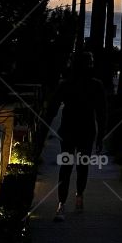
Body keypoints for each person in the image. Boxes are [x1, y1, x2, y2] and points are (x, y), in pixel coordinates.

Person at [46, 50, 109, 220]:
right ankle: (77, 197)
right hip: (84, 131)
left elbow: (52, 107)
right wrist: (101, 135)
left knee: (66, 167)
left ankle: (63, 203)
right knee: (81, 167)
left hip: (71, 130)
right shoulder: (95, 85)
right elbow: (102, 113)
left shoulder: (67, 84)